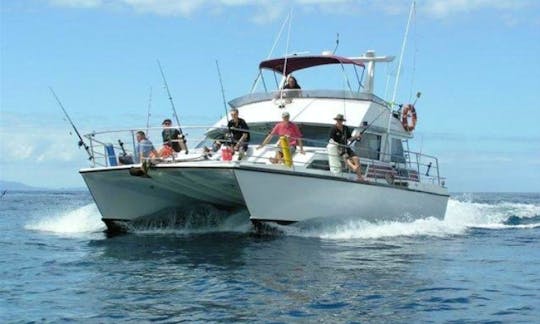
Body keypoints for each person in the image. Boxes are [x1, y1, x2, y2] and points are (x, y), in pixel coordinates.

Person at [329, 114, 364, 181]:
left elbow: (349, 139)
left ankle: (360, 177)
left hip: (346, 146)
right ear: (336, 120)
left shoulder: (346, 128)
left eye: (341, 120)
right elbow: (332, 140)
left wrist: (356, 136)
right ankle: (353, 167)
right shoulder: (333, 129)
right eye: (338, 120)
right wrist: (339, 145)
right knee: (345, 156)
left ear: (342, 121)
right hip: (338, 146)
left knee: (356, 158)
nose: (339, 121)